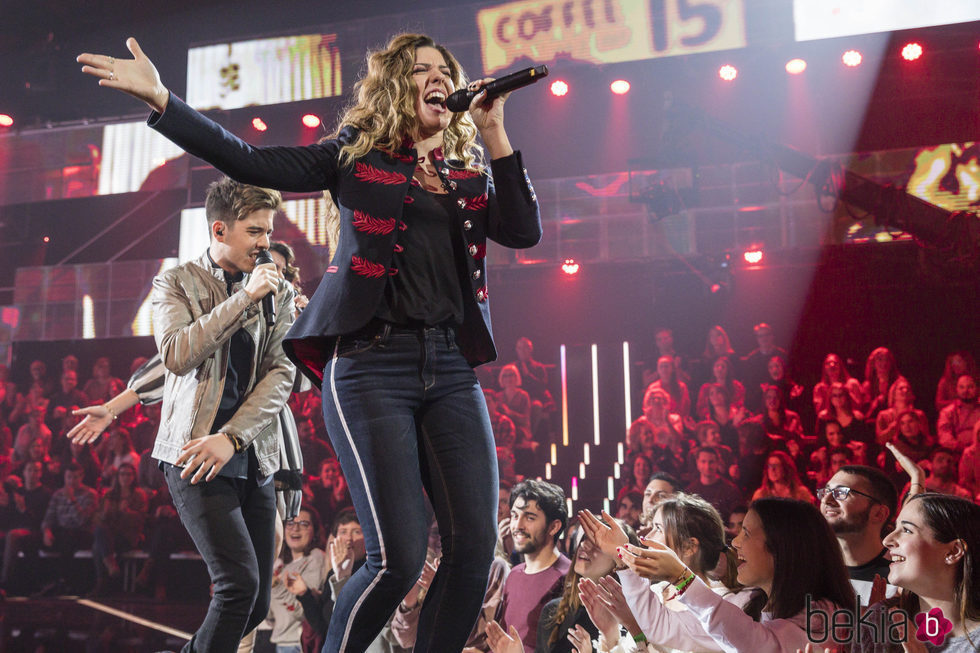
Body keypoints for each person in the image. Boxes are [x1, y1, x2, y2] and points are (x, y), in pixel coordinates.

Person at [81, 30, 541, 652]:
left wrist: (493, 132)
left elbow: (522, 230)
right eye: (420, 70)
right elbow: (252, 161)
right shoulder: (353, 155)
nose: (437, 77)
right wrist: (166, 101)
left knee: (474, 548)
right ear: (393, 88)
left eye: (444, 70)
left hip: (452, 366)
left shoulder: (467, 170)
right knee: (396, 559)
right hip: (372, 366)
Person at [65, 178, 296, 650]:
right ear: (219, 230)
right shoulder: (174, 282)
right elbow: (174, 356)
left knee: (254, 603)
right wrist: (245, 298)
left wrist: (232, 437)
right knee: (237, 589)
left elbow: (282, 373)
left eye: (267, 231)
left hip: (253, 452)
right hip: (192, 455)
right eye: (255, 231)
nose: (265, 242)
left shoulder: (280, 290)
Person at [580, 497, 855, 652]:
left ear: (782, 548)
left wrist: (681, 577)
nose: (735, 543)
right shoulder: (755, 604)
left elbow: (759, 646)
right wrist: (624, 557)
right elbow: (664, 630)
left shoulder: (824, 618)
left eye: (746, 534)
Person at [854, 493, 980, 651]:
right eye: (895, 528)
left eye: (906, 530)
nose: (887, 540)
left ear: (953, 552)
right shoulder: (881, 621)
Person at [536, 517, 639, 653]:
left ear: (620, 560)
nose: (584, 545)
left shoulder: (632, 618)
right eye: (585, 538)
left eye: (598, 543)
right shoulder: (553, 611)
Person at [499, 480, 570, 653]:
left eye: (529, 517)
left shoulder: (568, 577)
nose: (518, 525)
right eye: (515, 515)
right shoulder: (514, 575)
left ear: (553, 527)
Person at [817, 465, 899, 605]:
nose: (827, 500)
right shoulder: (811, 568)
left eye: (841, 492)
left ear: (879, 514)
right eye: (826, 491)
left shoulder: (899, 577)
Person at [937, 374, 980, 453]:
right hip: (958, 453)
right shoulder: (948, 412)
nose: (965, 391)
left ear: (977, 389)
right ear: (956, 389)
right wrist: (961, 448)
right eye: (961, 387)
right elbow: (944, 437)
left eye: (970, 387)